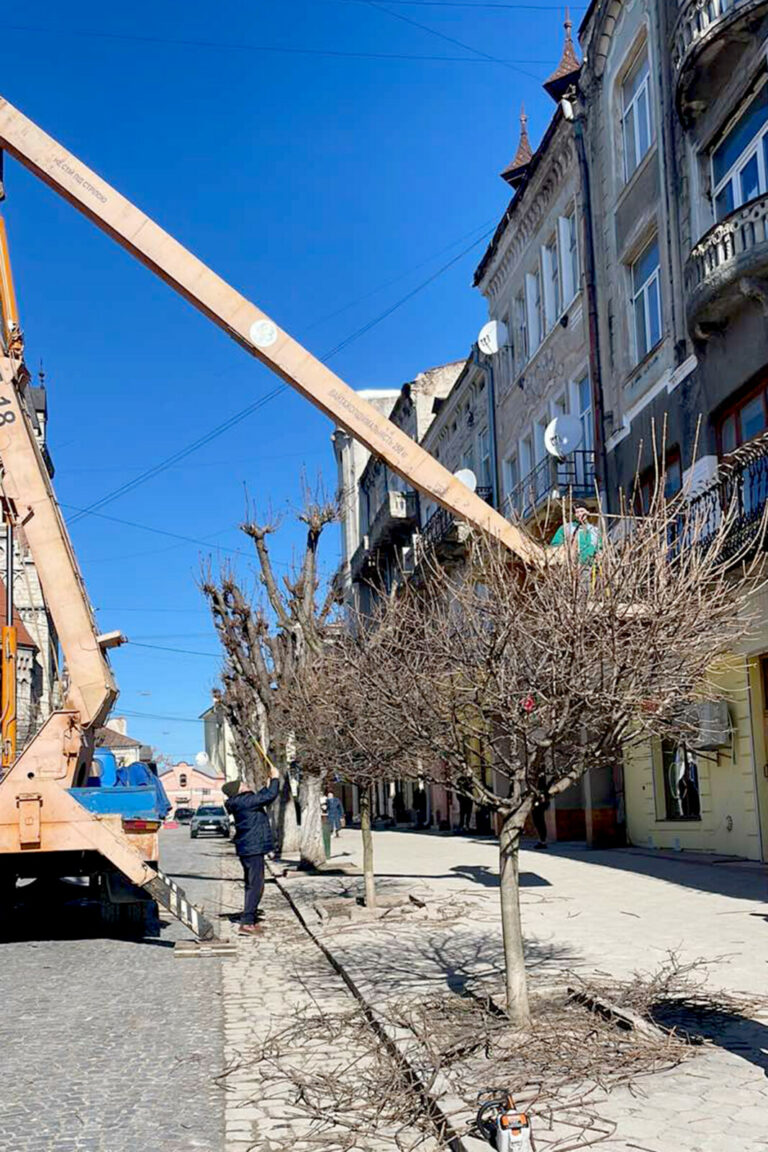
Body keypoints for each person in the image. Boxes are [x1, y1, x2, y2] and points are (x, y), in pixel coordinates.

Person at [223, 766, 279, 936]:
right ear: (239, 790)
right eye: (243, 784)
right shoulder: (244, 801)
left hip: (249, 848)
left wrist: (268, 783)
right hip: (252, 848)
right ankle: (247, 923)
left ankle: (250, 919)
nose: (247, 784)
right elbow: (269, 797)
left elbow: (260, 797)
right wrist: (276, 779)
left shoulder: (241, 802)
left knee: (252, 884)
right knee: (256, 885)